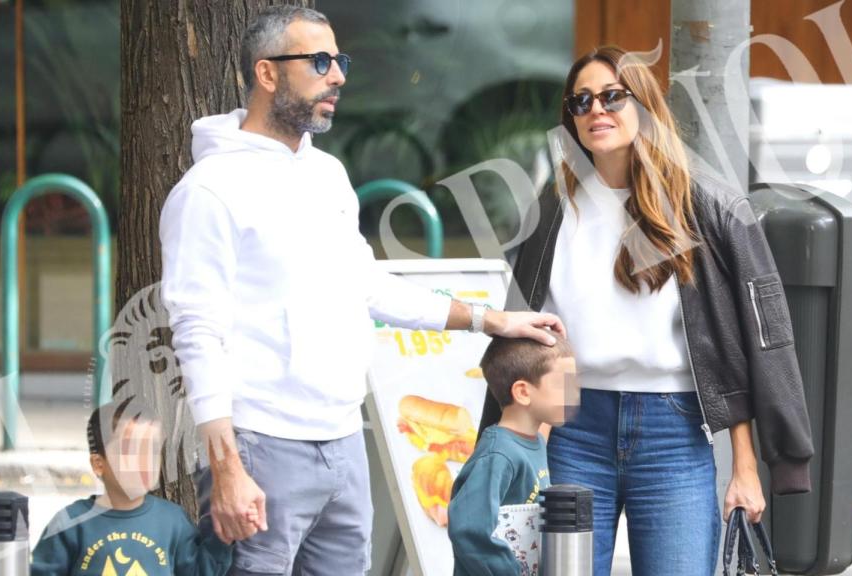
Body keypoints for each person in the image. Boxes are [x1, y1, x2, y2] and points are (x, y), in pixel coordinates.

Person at [158, 6, 565, 575]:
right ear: (267, 73)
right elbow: (196, 330)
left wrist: (491, 321)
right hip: (262, 444)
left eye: (339, 61)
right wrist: (225, 464)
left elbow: (368, 286)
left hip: (344, 439)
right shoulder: (208, 191)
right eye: (320, 61)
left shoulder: (327, 175)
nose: (338, 76)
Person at [477, 45, 815, 575]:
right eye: (580, 101)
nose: (596, 110)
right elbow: (527, 325)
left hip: (673, 434)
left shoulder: (705, 206)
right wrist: (515, 440)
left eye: (612, 96)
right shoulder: (553, 207)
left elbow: (749, 340)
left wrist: (748, 466)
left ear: (646, 105)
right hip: (571, 429)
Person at [30, 397, 232, 575]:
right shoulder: (69, 524)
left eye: (152, 450)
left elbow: (199, 571)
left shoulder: (173, 521)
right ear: (99, 465)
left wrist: (223, 537)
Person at [449, 336, 576, 576]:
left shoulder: (536, 441)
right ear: (523, 392)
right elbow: (469, 529)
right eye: (563, 385)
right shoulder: (498, 454)